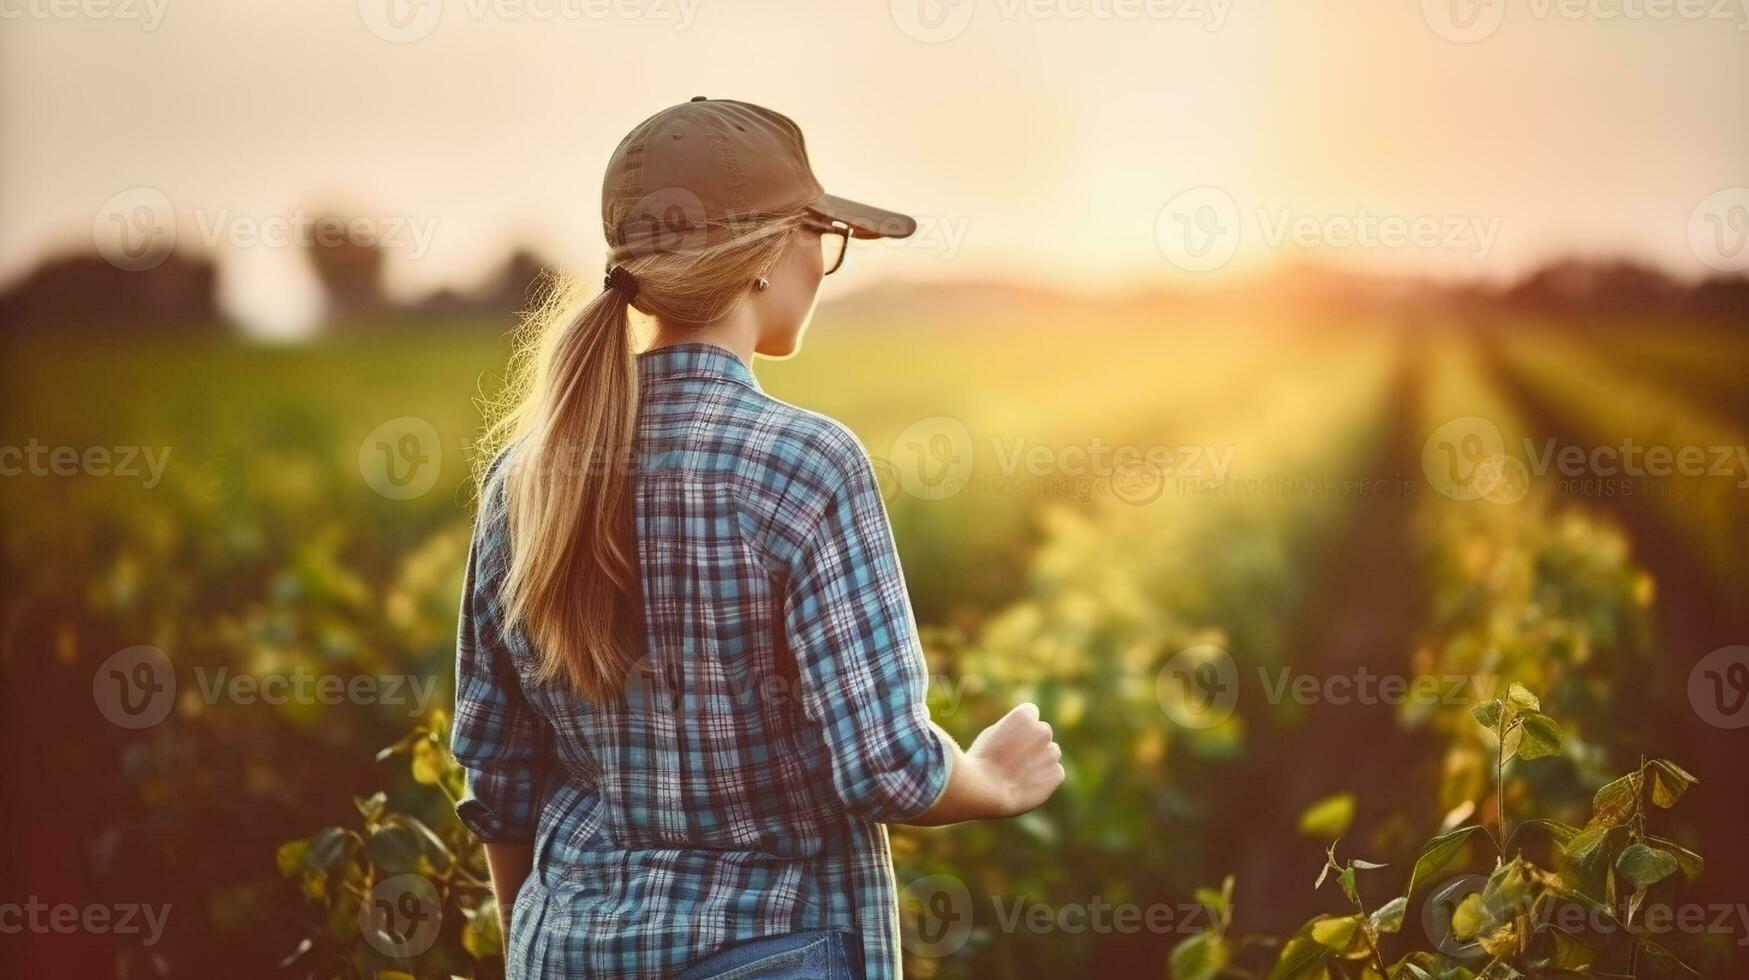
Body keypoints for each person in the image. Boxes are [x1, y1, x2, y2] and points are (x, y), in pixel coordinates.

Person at [453, 97, 1064, 979]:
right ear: (770, 254)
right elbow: (886, 767)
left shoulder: (523, 480)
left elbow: (500, 784)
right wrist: (989, 780)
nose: (825, 262)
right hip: (766, 950)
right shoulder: (806, 464)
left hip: (560, 951)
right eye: (824, 235)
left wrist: (536, 952)